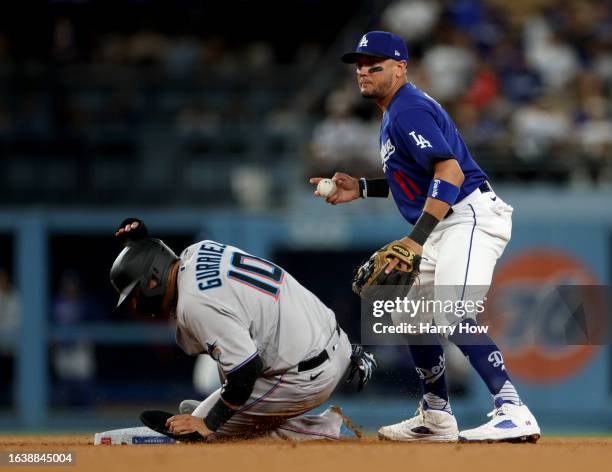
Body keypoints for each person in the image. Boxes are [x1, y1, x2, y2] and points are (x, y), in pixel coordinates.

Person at [310, 31, 540, 443]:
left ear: (400, 67)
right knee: (408, 314)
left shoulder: (407, 109)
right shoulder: (396, 112)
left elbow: (449, 173)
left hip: (468, 216)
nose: (363, 71)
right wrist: (361, 188)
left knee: (452, 308)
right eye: (359, 64)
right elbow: (415, 178)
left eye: (374, 64)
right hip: (448, 221)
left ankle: (513, 409)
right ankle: (436, 415)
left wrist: (415, 240)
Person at [109, 219, 374, 441]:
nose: (135, 304)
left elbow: (245, 373)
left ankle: (318, 431)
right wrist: (142, 244)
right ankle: (236, 414)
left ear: (153, 279)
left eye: (134, 294)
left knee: (205, 436)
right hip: (333, 344)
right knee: (216, 397)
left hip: (302, 376)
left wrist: (209, 423)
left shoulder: (195, 303)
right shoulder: (199, 250)